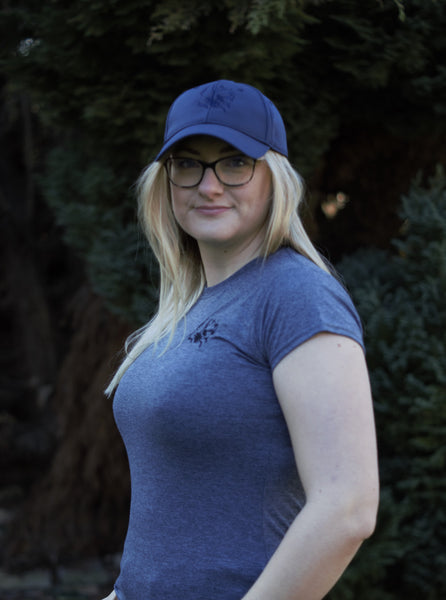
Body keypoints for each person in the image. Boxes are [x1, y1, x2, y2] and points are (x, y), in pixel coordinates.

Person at [102, 80, 379, 600]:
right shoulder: (188, 306)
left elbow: (347, 508)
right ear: (166, 182)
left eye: (234, 163)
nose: (208, 185)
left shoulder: (296, 294)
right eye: (188, 164)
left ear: (274, 177)